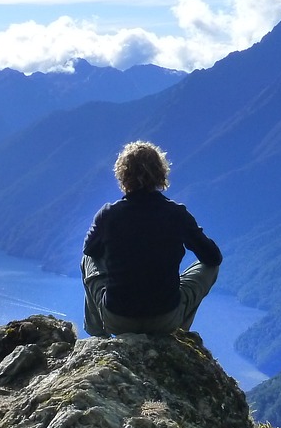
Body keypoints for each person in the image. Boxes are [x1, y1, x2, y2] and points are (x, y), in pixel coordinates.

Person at [81, 141, 222, 337]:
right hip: (165, 320)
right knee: (210, 267)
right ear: (160, 174)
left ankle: (98, 334)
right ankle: (178, 331)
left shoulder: (108, 214)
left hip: (117, 320)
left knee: (88, 258)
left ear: (123, 175)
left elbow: (90, 251)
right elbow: (213, 258)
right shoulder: (176, 213)